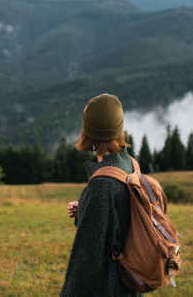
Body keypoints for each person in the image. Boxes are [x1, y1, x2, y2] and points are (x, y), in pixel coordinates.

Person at [60, 94, 143, 297]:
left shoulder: (102, 184)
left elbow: (87, 259)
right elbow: (120, 217)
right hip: (130, 282)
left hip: (109, 286)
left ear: (88, 132)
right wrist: (86, 210)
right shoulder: (130, 163)